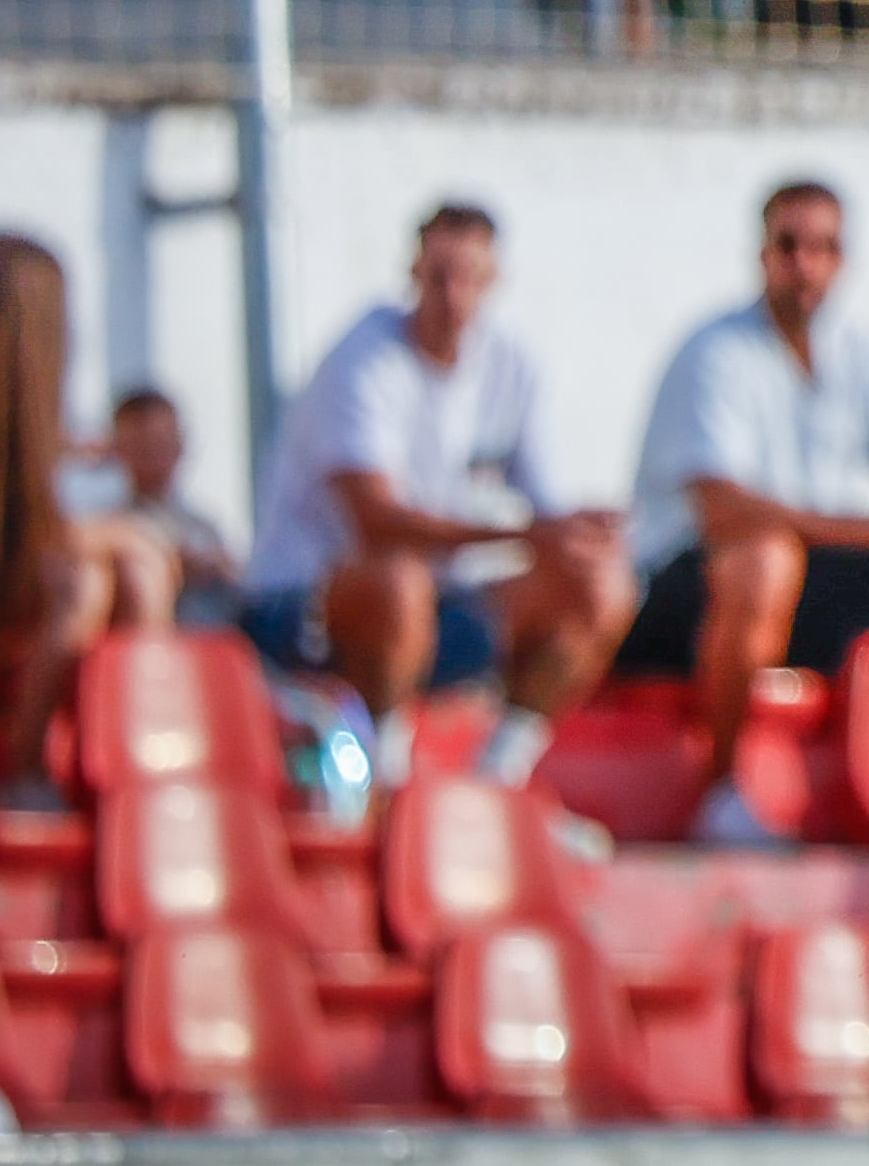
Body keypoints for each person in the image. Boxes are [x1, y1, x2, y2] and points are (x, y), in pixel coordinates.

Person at [614, 181, 869, 843]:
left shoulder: (862, 356)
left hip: (804, 584)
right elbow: (724, 512)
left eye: (822, 249)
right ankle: (721, 793)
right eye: (790, 247)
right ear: (762, 254)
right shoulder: (714, 355)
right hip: (687, 593)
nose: (806, 266)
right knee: (763, 563)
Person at [235, 204, 635, 789]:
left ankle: (500, 779)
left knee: (600, 583)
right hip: (299, 609)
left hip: (432, 613)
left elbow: (544, 515)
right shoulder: (362, 361)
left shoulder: (510, 365)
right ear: (414, 274)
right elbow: (377, 524)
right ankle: (387, 788)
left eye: (468, 278)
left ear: (494, 281)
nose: (452, 296)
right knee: (398, 584)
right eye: (439, 276)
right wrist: (529, 535)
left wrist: (582, 533)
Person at [0, 237, 174, 789]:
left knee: (132, 565)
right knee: (84, 579)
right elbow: (7, 527)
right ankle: (26, 767)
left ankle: (131, 762)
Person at [94, 387, 243, 619]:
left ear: (181, 445)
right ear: (117, 449)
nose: (154, 458)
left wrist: (224, 571)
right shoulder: (105, 530)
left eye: (162, 444)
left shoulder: (204, 526)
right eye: (142, 447)